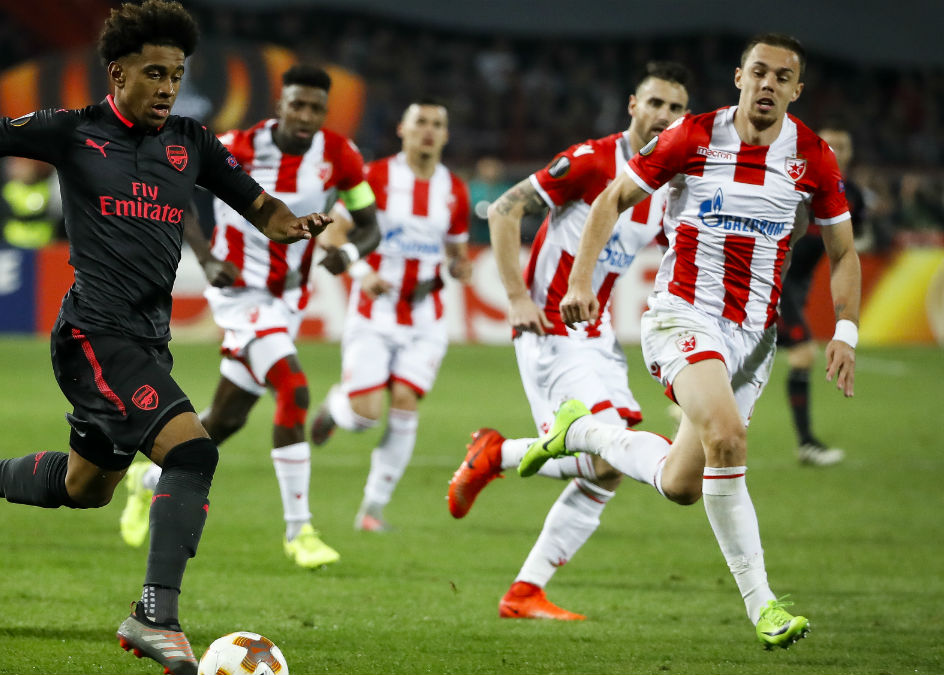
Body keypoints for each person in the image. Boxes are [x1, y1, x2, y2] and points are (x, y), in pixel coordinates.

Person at [0, 3, 331, 672]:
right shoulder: (74, 132)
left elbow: (256, 203)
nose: (168, 87)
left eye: (177, 74)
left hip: (145, 339)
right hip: (93, 333)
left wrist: (288, 224)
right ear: (117, 73)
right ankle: (154, 615)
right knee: (193, 452)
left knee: (87, 485)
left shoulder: (191, 141)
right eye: (154, 73)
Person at [520, 33, 861, 649]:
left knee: (682, 483)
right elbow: (612, 198)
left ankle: (582, 432)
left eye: (783, 78)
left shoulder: (813, 157)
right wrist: (579, 278)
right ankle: (764, 606)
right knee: (728, 438)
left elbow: (842, 251)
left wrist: (847, 331)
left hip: (753, 340)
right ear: (738, 77)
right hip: (684, 316)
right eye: (759, 72)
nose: (768, 85)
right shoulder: (693, 136)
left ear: (796, 90)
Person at [445, 62, 690, 619]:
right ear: (633, 105)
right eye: (656, 104)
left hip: (596, 329)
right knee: (610, 453)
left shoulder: (669, 182)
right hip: (550, 326)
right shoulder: (592, 160)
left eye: (677, 109)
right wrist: (515, 297)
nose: (665, 117)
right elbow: (506, 209)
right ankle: (496, 455)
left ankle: (525, 590)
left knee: (607, 468)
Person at [118, 64, 380, 568]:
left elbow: (369, 225)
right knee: (294, 388)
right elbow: (180, 194)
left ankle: (145, 477)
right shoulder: (239, 145)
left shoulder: (340, 156)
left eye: (316, 109)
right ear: (280, 104)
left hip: (287, 300)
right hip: (240, 294)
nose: (305, 116)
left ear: (325, 113)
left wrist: (345, 257)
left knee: (226, 419)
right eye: (297, 105)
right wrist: (207, 257)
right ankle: (299, 531)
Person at [306, 98, 471, 532]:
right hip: (375, 311)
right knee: (364, 416)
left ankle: (373, 509)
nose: (429, 131)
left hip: (426, 315)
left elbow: (454, 247)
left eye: (438, 124)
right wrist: (361, 271)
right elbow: (335, 230)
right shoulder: (375, 177)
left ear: (446, 134)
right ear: (402, 128)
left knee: (404, 404)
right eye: (421, 122)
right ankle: (336, 407)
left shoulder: (454, 189)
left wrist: (459, 264)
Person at [777, 123, 864, 466]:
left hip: (797, 290)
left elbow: (849, 247)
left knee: (755, 357)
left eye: (843, 146)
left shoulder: (850, 195)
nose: (837, 152)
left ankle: (694, 409)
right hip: (774, 286)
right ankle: (807, 444)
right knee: (802, 353)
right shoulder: (795, 183)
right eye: (831, 145)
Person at [1, 156, 63, 248]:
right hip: (13, 244)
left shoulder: (47, 189)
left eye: (24, 167)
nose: (19, 170)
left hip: (44, 245)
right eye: (17, 167)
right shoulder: (9, 189)